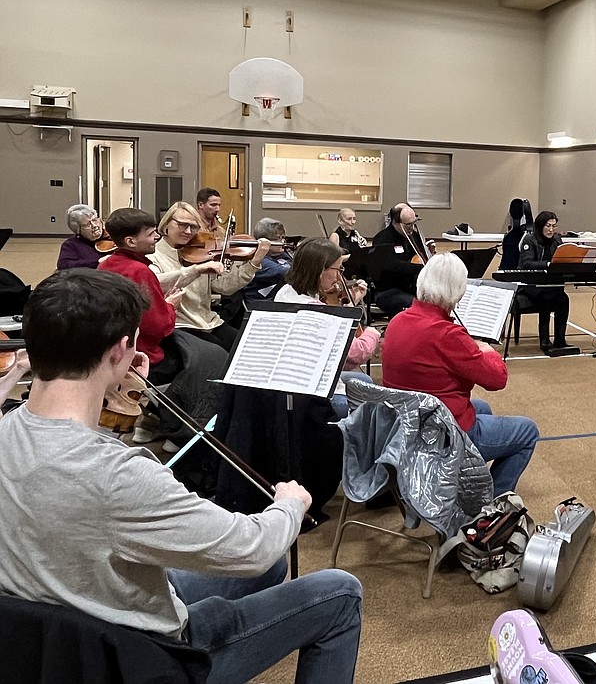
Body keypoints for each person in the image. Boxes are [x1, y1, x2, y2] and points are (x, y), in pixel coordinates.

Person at [0, 268, 362, 683]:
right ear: (121, 349)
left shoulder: (7, 429)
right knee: (338, 590)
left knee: (270, 570)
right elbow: (252, 547)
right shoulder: (122, 474)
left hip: (49, 635)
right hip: (140, 657)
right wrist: (289, 505)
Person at [381, 253, 538, 495]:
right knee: (528, 431)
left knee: (482, 406)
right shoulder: (447, 334)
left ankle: (468, 483)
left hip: (406, 425)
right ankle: (492, 505)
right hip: (441, 435)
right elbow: (497, 380)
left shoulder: (398, 321)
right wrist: (486, 350)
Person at [98, 209, 229, 453]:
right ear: (131, 241)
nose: (156, 238)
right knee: (210, 360)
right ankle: (179, 430)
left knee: (206, 350)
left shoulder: (108, 264)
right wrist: (170, 306)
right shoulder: (140, 271)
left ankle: (154, 421)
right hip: (141, 352)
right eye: (151, 234)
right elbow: (159, 327)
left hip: (114, 346)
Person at [275, 237, 380, 418]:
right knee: (370, 397)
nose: (340, 277)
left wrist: (348, 304)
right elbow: (354, 356)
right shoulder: (316, 309)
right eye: (338, 269)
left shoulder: (286, 292)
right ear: (320, 271)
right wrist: (372, 333)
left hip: (297, 379)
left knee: (365, 380)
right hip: (314, 386)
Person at [151, 201, 270, 352]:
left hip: (209, 321)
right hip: (181, 326)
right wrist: (197, 270)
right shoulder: (154, 256)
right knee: (221, 354)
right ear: (166, 224)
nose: (188, 231)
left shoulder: (201, 252)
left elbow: (225, 287)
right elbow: (156, 283)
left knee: (249, 348)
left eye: (194, 227)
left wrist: (254, 263)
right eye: (182, 225)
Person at [517, 211, 573, 353]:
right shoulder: (530, 240)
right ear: (540, 226)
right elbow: (527, 263)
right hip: (530, 284)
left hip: (550, 284)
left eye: (554, 226)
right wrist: (548, 264)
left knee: (563, 299)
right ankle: (544, 340)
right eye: (548, 226)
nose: (551, 230)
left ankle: (560, 339)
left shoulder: (557, 240)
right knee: (546, 297)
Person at [370, 202, 431, 317]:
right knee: (416, 305)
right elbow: (390, 266)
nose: (412, 228)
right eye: (408, 225)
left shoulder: (414, 235)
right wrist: (418, 268)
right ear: (396, 222)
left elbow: (419, 257)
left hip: (411, 287)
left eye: (414, 223)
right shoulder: (382, 239)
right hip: (388, 290)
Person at [243, 218, 294, 301]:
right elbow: (288, 274)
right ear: (264, 240)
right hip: (261, 305)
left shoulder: (284, 255)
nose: (283, 241)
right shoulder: (259, 260)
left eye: (283, 237)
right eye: (277, 238)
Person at [56, 204, 109, 270]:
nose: (94, 226)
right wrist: (97, 262)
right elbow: (64, 265)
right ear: (77, 230)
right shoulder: (71, 244)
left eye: (95, 220)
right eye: (87, 224)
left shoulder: (114, 236)